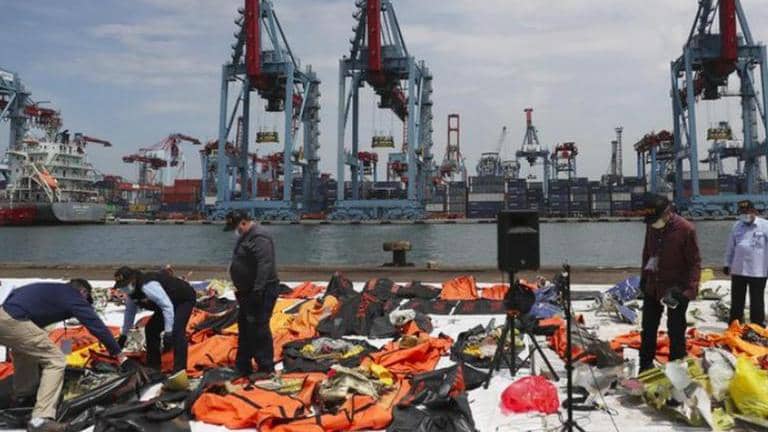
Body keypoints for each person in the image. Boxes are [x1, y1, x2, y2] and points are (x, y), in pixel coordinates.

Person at [0, 279, 123, 432]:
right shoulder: (73, 296)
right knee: (56, 360)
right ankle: (41, 419)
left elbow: (19, 301)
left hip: (5, 315)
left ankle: (22, 398)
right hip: (14, 320)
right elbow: (95, 324)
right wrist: (117, 352)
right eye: (86, 300)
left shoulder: (55, 291)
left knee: (25, 353)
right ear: (83, 292)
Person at [638, 193, 701, 373]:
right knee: (648, 327)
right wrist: (643, 278)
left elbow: (694, 263)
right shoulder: (652, 226)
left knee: (676, 329)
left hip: (676, 288)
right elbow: (647, 253)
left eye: (655, 219)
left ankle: (676, 367)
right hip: (653, 284)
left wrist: (689, 291)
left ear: (667, 213)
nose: (653, 223)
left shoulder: (686, 229)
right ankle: (645, 366)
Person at [224, 210, 279, 378]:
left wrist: (258, 290)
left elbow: (265, 264)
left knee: (259, 327)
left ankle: (266, 367)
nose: (236, 231)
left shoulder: (259, 237)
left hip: (261, 290)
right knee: (245, 326)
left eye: (236, 227)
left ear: (243, 222)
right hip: (247, 291)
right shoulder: (245, 236)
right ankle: (243, 365)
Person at [113, 267, 195, 375]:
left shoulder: (148, 286)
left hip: (182, 299)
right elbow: (129, 313)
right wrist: (123, 336)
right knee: (151, 329)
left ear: (133, 280)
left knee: (177, 331)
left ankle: (179, 370)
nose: (124, 288)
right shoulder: (131, 294)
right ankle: (153, 366)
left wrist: (168, 332)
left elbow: (167, 306)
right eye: (122, 286)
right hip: (166, 303)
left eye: (125, 285)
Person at [724, 200, 768, 326]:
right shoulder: (737, 226)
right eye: (742, 212)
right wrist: (727, 263)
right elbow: (730, 247)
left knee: (757, 301)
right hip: (738, 269)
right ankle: (735, 324)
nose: (745, 215)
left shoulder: (765, 226)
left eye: (747, 212)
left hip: (758, 271)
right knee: (736, 300)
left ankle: (757, 326)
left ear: (754, 211)